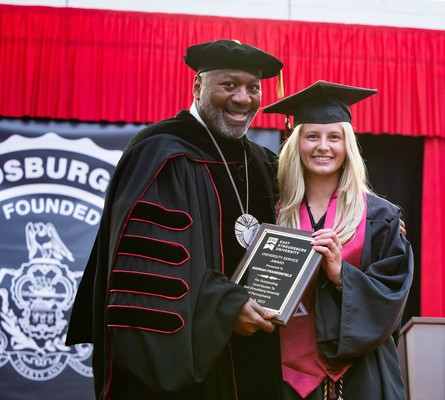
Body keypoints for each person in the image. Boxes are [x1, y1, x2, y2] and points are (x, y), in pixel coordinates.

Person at [66, 40, 284, 399]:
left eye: (253, 87)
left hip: (256, 348)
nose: (243, 98)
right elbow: (150, 270)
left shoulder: (260, 161)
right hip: (187, 365)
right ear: (198, 86)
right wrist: (226, 308)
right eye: (229, 85)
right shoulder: (162, 153)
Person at [263, 81, 414, 399]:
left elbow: (392, 296)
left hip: (357, 373)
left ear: (348, 146)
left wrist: (342, 276)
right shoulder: (271, 211)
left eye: (334, 137)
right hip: (278, 369)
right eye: (312, 136)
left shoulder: (379, 216)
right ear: (296, 143)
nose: (323, 146)